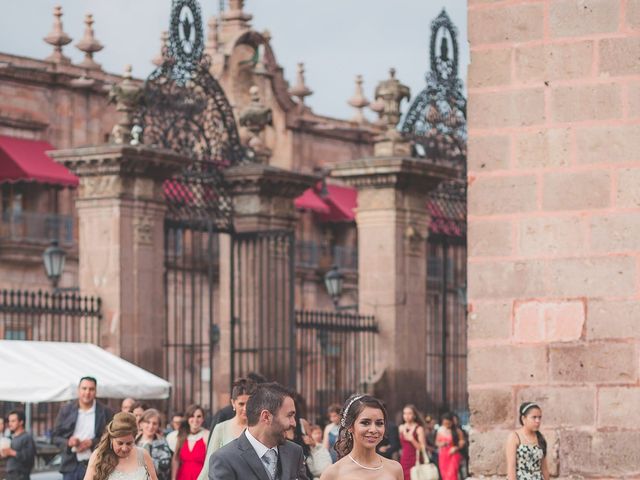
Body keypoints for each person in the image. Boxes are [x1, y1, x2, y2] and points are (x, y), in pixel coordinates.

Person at [208, 382, 308, 479]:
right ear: (266, 417)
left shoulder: (295, 452)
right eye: (289, 415)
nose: (293, 423)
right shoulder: (225, 459)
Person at [319, 394, 402, 480]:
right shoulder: (333, 474)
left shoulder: (395, 469)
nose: (373, 430)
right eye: (365, 423)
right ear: (350, 426)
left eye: (379, 423)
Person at [52, 376, 113, 480]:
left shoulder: (105, 411)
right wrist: (69, 442)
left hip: (96, 463)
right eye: (84, 388)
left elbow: (111, 437)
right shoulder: (66, 410)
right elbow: (55, 437)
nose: (87, 392)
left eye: (91, 389)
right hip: (71, 465)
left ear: (96, 391)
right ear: (78, 390)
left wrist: (92, 442)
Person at [197, 378, 257, 480]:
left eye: (249, 403)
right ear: (233, 403)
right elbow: (209, 464)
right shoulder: (221, 429)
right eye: (241, 404)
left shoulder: (260, 428)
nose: (245, 408)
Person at [83, 412, 157, 480]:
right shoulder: (99, 455)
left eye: (129, 443)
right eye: (120, 443)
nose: (124, 448)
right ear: (111, 439)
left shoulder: (143, 455)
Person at [505, 402, 549, 480]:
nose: (537, 421)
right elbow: (511, 467)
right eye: (534, 417)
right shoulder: (515, 437)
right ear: (523, 418)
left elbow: (544, 468)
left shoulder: (540, 438)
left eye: (539, 417)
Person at [173, 405, 209, 480]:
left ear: (203, 419)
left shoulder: (207, 435)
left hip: (201, 477)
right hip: (182, 476)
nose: (195, 419)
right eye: (192, 416)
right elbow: (176, 460)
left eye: (199, 416)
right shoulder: (181, 435)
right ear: (188, 418)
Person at [136, 409, 173, 480]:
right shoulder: (133, 442)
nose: (151, 426)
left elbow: (165, 468)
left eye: (154, 423)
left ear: (158, 426)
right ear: (141, 424)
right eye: (147, 422)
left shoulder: (162, 443)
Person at [1, 410, 36, 480]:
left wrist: (11, 452)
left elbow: (29, 458)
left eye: (13, 421)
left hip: (21, 475)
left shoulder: (27, 437)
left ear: (21, 422)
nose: (10, 423)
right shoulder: (11, 437)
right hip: (10, 475)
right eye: (9, 421)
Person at [398, 404, 426, 480]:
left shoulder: (419, 428)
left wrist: (412, 440)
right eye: (405, 413)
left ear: (414, 415)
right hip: (404, 459)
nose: (406, 416)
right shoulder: (401, 428)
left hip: (416, 460)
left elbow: (422, 448)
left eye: (409, 413)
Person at [435, 413, 465, 480]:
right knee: (444, 475)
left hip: (453, 454)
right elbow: (436, 442)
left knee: (452, 475)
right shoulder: (440, 431)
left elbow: (462, 442)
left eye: (448, 423)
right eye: (445, 423)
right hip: (443, 455)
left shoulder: (457, 431)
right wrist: (442, 444)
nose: (446, 425)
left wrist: (456, 448)